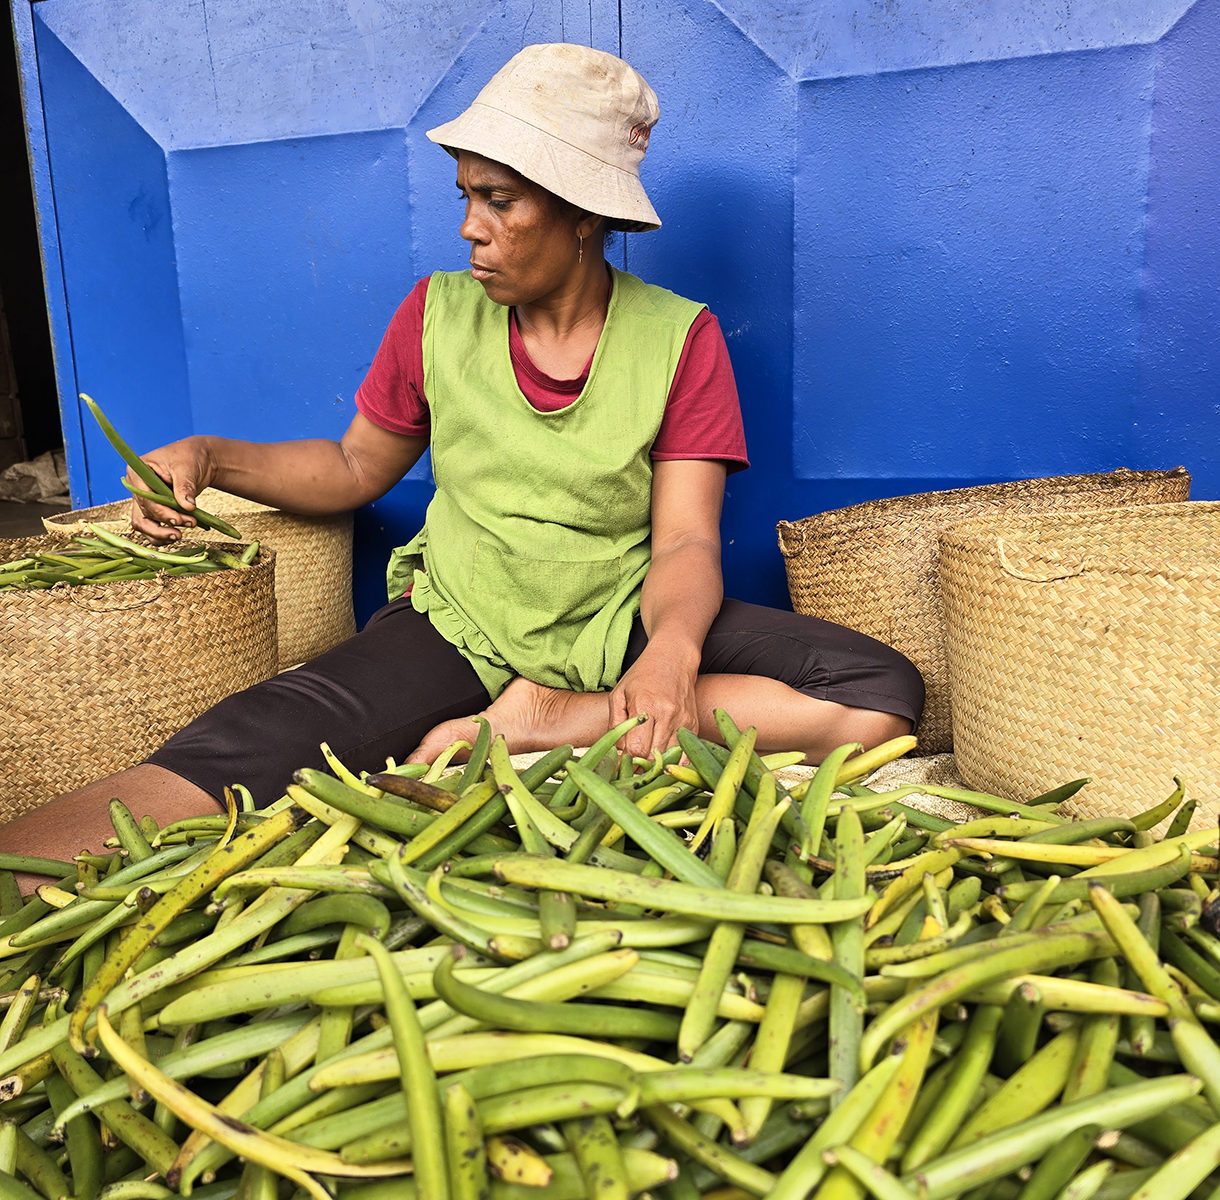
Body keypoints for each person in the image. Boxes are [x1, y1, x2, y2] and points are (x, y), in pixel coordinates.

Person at [0, 43, 923, 865]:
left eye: (500, 200)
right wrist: (210, 455)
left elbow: (685, 543)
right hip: (467, 613)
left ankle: (556, 723)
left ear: (582, 216)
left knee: (879, 691)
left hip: (617, 613)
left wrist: (670, 656)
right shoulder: (437, 316)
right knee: (265, 737)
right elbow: (356, 469)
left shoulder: (681, 339)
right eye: (467, 197)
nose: (469, 227)